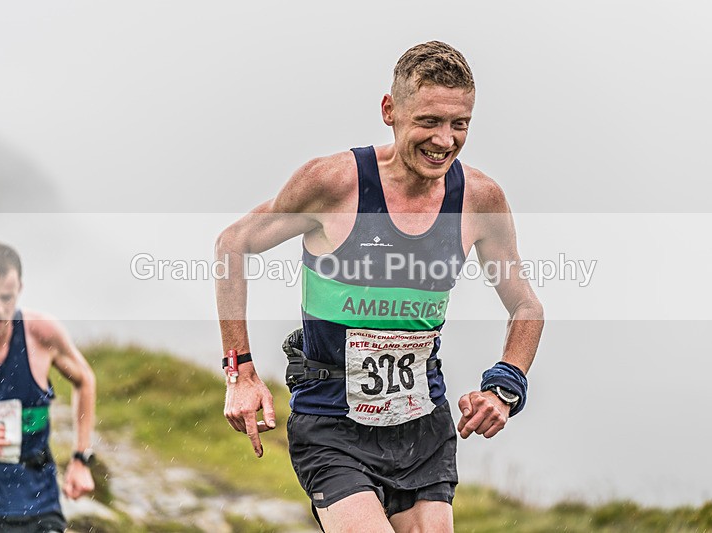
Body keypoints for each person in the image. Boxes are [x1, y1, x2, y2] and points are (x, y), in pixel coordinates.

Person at [215, 41, 544, 532]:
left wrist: (505, 386)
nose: (445, 140)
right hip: (332, 420)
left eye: (460, 124)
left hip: (421, 421)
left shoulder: (479, 199)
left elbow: (526, 306)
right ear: (390, 110)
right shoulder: (333, 184)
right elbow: (233, 244)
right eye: (429, 121)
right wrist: (240, 370)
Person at [0, 243, 97, 533]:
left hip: (36, 498)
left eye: (6, 298)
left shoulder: (41, 333)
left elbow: (85, 380)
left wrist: (80, 459)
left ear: (19, 289)